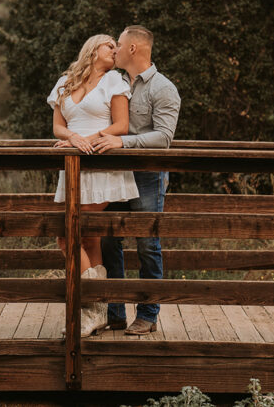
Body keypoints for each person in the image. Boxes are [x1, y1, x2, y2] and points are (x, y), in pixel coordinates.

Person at [48, 34, 139, 336]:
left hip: (100, 164)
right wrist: (71, 138)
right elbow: (58, 126)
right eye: (109, 45)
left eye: (117, 47)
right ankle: (96, 313)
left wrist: (84, 140)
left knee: (69, 234)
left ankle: (92, 308)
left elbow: (121, 126)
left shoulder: (115, 81)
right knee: (90, 237)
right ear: (92, 49)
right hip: (72, 165)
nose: (115, 50)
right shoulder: (66, 82)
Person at [93, 25, 181, 335]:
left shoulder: (164, 88)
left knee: (147, 244)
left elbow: (165, 138)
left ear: (133, 49)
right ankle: (114, 312)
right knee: (107, 241)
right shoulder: (110, 83)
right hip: (113, 176)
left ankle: (147, 315)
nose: (113, 49)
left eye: (118, 44)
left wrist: (123, 142)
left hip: (147, 176)